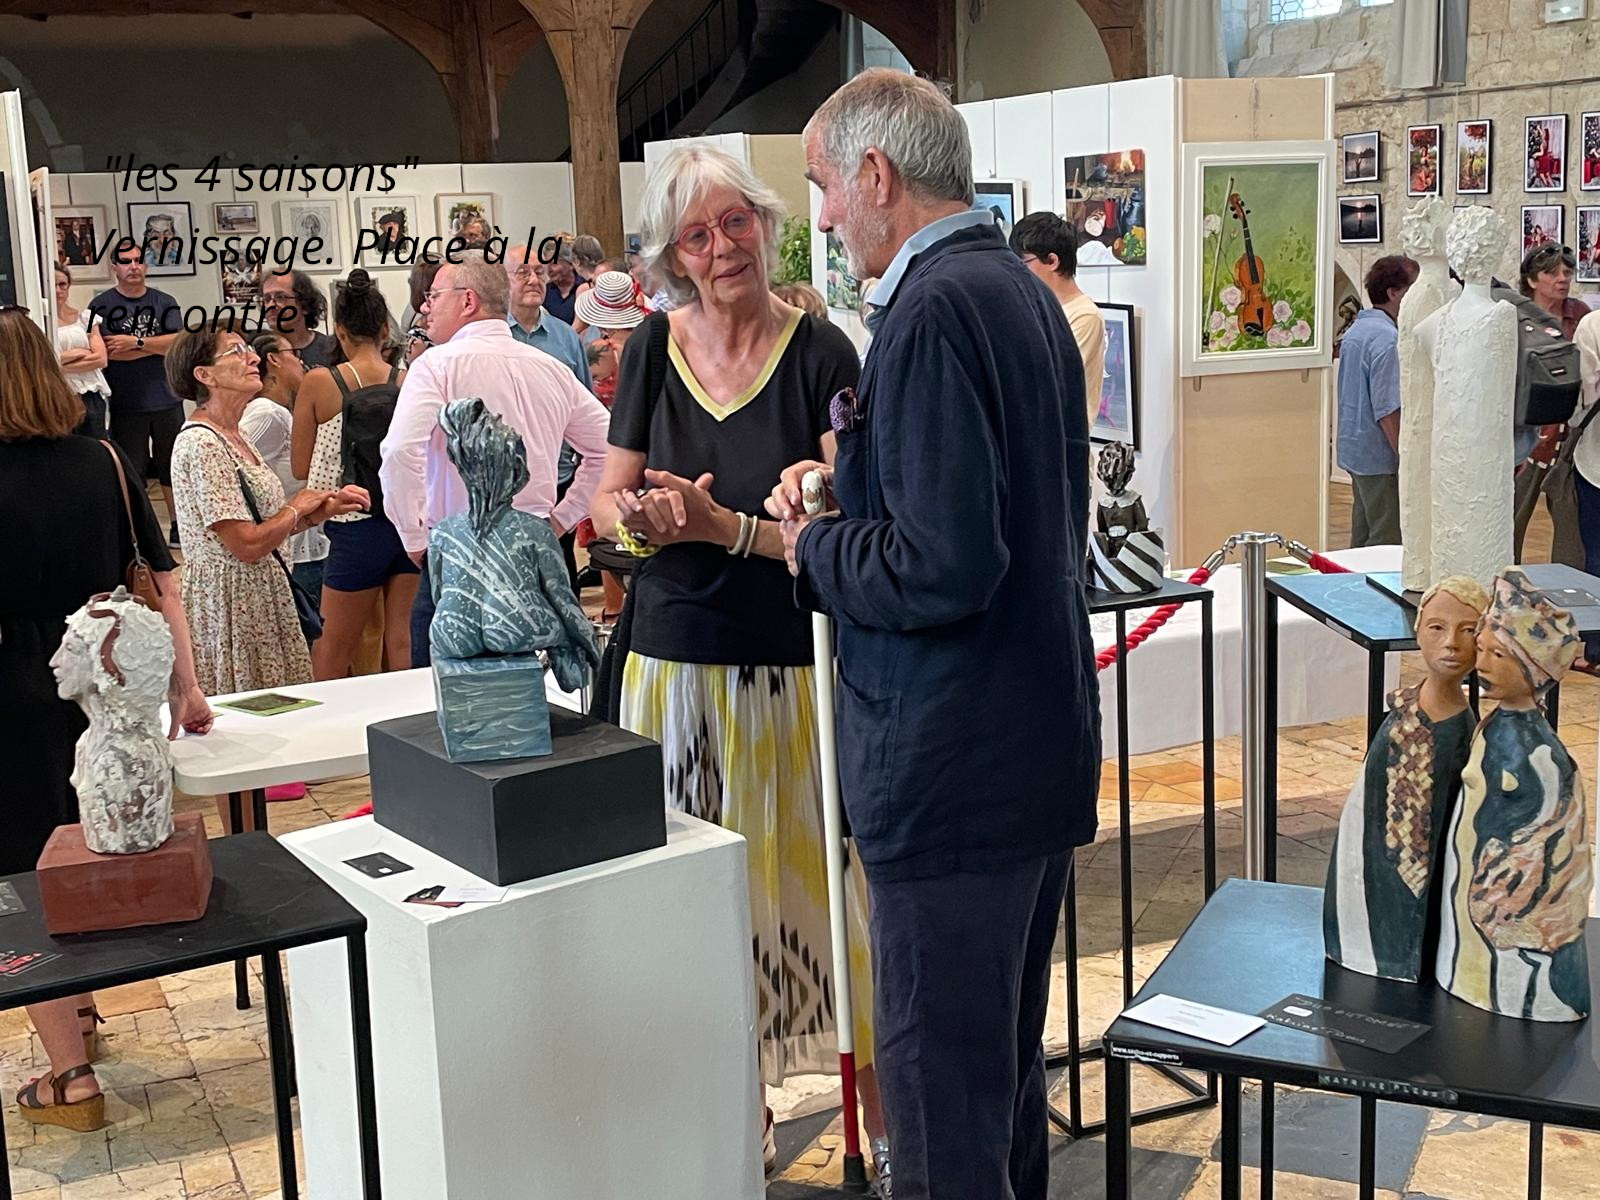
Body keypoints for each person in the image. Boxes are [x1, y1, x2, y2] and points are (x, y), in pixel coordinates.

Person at [771, 69, 1096, 1200]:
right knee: (993, 1090)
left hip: (950, 770)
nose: (821, 218)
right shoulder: (1016, 290)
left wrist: (813, 545)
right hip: (1023, 752)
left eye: (822, 186)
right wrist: (849, 484)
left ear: (875, 174)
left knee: (945, 1118)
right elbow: (980, 518)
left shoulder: (933, 310)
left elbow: (943, 563)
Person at [587, 143, 890, 1185]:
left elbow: (850, 516)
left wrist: (739, 524)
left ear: (765, 224)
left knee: (825, 907)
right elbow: (605, 506)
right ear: (672, 257)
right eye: (696, 236)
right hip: (671, 668)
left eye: (735, 223)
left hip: (791, 666)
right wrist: (638, 520)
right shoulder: (650, 350)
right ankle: (733, 1112)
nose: (721, 248)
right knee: (696, 909)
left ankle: (885, 1129)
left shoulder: (822, 351)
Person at [0, 308, 212, 1133]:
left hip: (12, 687)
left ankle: (71, 1074)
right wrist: (186, 688)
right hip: (104, 685)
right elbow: (163, 578)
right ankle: (81, 1008)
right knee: (85, 842)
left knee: (21, 873)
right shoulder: (105, 461)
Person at [379, 250, 611, 667]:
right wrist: (559, 520)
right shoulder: (550, 368)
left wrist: (413, 536)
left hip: (458, 547)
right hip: (529, 542)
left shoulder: (435, 366)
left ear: (467, 300)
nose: (425, 308)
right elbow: (609, 447)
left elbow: (399, 451)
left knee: (447, 681)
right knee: (526, 681)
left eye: (433, 296)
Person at [167, 328, 368, 695]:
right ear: (204, 375)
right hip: (234, 607)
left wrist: (318, 512)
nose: (253, 357)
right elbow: (245, 544)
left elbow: (261, 525)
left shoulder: (234, 435)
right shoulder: (202, 444)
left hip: (259, 597)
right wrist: (296, 507)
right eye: (236, 351)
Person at [290, 271, 419, 679]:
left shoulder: (319, 382)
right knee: (403, 640)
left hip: (352, 522)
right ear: (384, 331)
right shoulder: (408, 381)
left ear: (339, 331)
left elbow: (299, 467)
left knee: (333, 645)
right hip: (406, 521)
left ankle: (327, 718)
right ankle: (411, 714)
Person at [92, 243, 184, 546]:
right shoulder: (101, 305)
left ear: (146, 265)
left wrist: (136, 343)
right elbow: (108, 352)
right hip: (126, 402)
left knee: (172, 466)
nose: (133, 266)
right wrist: (155, 346)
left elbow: (177, 344)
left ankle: (178, 526)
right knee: (132, 470)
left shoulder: (165, 302)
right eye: (126, 261)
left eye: (138, 260)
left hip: (167, 397)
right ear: (114, 268)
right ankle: (140, 533)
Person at [574, 269, 651, 618]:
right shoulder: (654, 342)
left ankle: (614, 608)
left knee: (608, 527)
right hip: (648, 446)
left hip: (611, 445)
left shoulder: (599, 351)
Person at [243, 331, 330, 610]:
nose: (300, 362)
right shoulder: (267, 413)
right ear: (274, 360)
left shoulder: (279, 411)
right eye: (293, 354)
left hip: (302, 542)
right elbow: (231, 465)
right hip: (294, 551)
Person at [1337, 255, 1416, 547]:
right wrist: (1405, 457)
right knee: (1387, 539)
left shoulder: (1358, 330)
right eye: (1413, 288)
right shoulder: (1386, 339)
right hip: (1378, 455)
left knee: (1363, 534)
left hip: (1356, 449)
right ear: (1394, 293)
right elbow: (1387, 409)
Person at [1512, 243, 1585, 557]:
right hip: (1526, 430)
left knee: (1571, 528)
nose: (1562, 279)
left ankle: (1568, 582)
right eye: (1552, 273)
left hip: (1571, 434)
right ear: (1532, 279)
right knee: (1510, 520)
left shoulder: (1579, 315)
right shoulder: (1513, 316)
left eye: (1567, 272)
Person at [1008, 212, 1105, 423]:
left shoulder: (1085, 316)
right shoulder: (1029, 307)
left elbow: (1051, 381)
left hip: (1062, 436)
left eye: (1023, 264)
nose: (1017, 273)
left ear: (1052, 261)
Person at [53, 262, 111, 440]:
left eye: (62, 284)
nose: (58, 290)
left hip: (90, 394)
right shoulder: (40, 321)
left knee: (96, 444)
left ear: (69, 285)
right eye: (53, 285)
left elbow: (101, 359)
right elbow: (43, 363)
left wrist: (59, 364)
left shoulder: (87, 316)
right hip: (59, 395)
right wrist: (81, 352)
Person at [1571, 309, 1600, 660]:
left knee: (1597, 554)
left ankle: (1596, 647)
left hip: (1596, 459)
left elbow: (1584, 395)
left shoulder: (1593, 325)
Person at [261, 270, 340, 369]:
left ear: (304, 305)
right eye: (267, 299)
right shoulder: (258, 353)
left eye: (280, 297)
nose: (271, 306)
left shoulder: (332, 350)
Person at [543, 241, 586, 325]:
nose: (549, 269)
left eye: (554, 264)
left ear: (571, 264)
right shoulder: (545, 291)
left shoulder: (586, 287)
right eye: (547, 265)